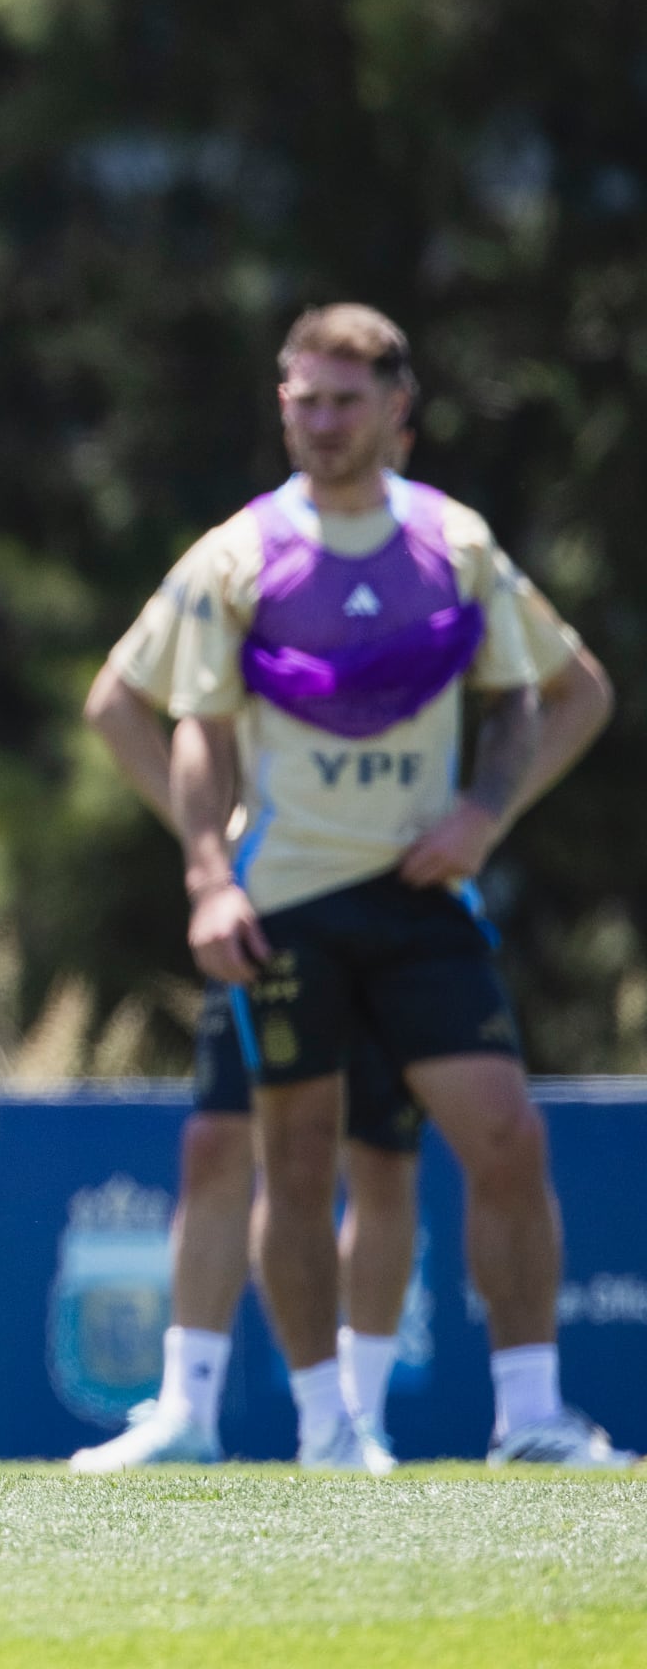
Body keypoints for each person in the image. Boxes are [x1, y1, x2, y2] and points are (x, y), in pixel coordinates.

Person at [103, 302, 622, 1469]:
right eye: (303, 398)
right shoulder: (240, 553)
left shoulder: (458, 544)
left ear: (399, 410)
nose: (323, 422)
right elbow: (187, 723)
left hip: (422, 903)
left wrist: (485, 816)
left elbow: (548, 692)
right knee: (290, 1156)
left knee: (506, 1136)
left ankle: (532, 1416)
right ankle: (329, 1425)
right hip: (283, 901)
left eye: (346, 400)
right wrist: (209, 872)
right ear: (281, 403)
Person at [78, 662, 428, 1470]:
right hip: (267, 910)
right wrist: (210, 840)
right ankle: (187, 1412)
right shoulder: (235, 574)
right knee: (217, 1144)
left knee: (379, 1154)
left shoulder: (417, 553)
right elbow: (113, 703)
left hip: (393, 907)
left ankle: (359, 1419)